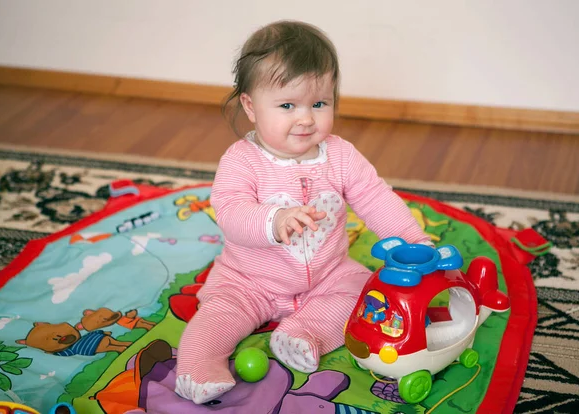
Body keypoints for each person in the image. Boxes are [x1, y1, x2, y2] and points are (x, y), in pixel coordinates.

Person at [175, 20, 431, 404]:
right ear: (250, 107)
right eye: (287, 105)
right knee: (218, 316)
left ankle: (303, 333)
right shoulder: (242, 160)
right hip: (250, 280)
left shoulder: (340, 155)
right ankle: (197, 367)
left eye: (319, 103)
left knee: (364, 293)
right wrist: (272, 221)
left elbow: (376, 198)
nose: (306, 118)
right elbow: (230, 212)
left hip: (328, 274)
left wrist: (416, 244)